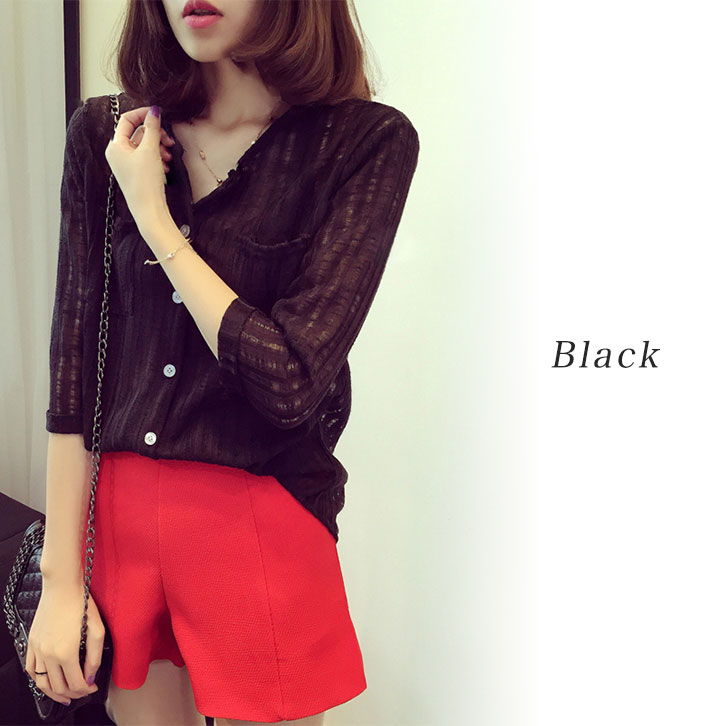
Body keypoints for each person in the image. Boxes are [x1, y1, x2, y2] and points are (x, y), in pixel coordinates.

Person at [29, 0, 419, 724]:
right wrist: (59, 577)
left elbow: (291, 382)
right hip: (119, 519)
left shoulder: (363, 143)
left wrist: (155, 218)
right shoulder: (106, 134)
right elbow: (73, 368)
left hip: (261, 521)